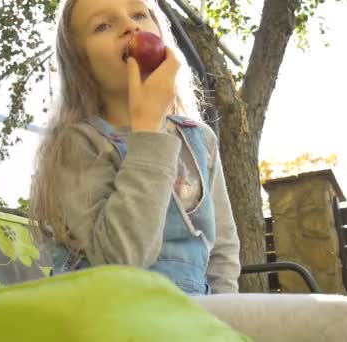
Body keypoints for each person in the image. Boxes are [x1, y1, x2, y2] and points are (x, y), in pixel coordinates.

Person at [30, 0, 240, 296]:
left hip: (194, 316)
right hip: (111, 315)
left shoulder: (199, 139)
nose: (130, 26)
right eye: (103, 25)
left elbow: (223, 249)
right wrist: (148, 130)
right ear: (82, 64)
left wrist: (224, 318)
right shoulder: (77, 144)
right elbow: (120, 263)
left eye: (139, 13)